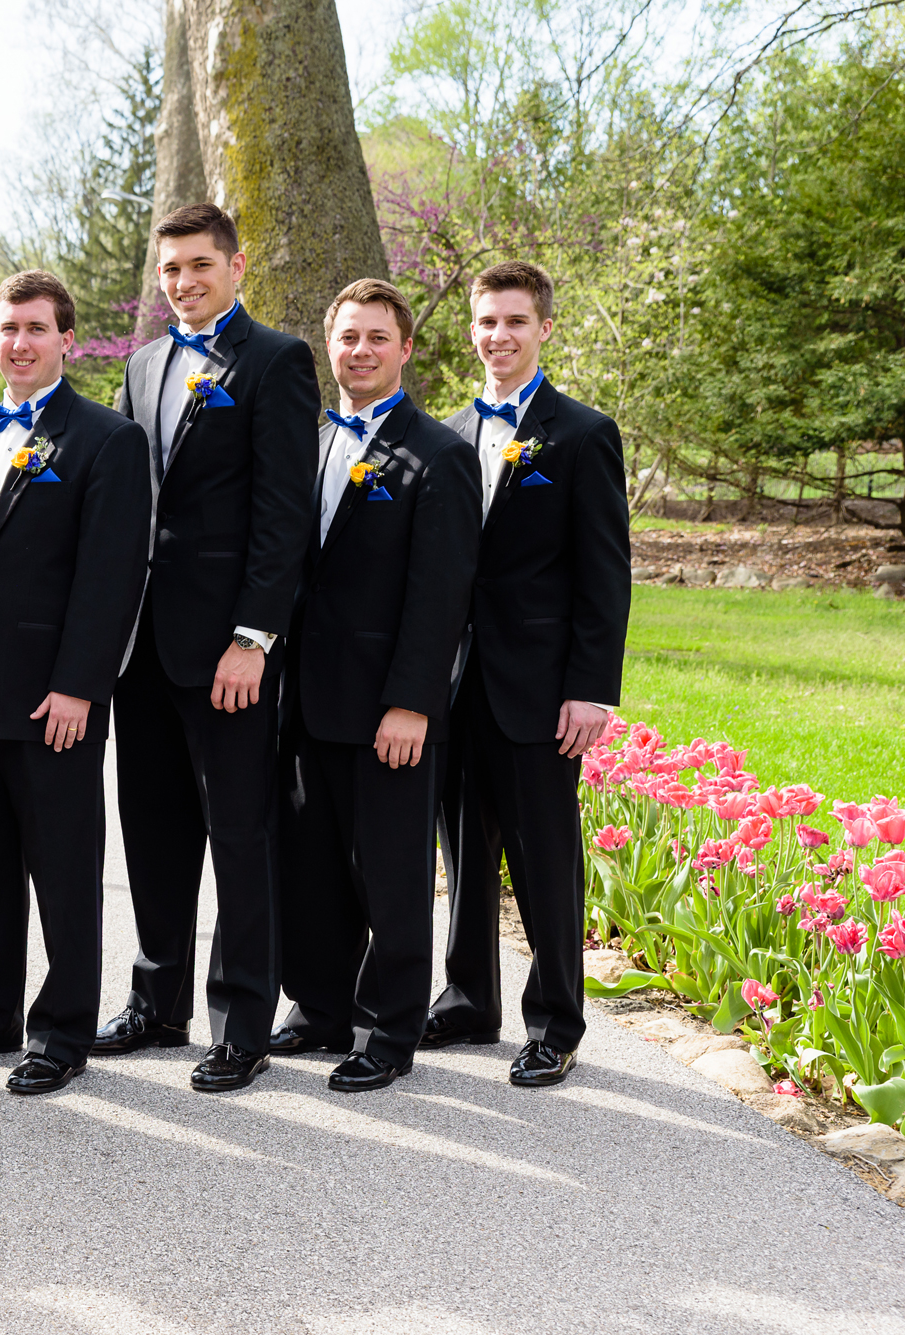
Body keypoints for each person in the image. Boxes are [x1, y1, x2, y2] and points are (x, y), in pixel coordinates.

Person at [0, 270, 151, 1096]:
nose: (19, 341)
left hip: (57, 698)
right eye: (8, 327)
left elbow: (110, 575)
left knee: (63, 866)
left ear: (66, 339)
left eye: (36, 328)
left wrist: (82, 685)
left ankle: (61, 1029)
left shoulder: (107, 439)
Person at [101, 202, 319, 1092]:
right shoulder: (143, 364)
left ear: (236, 266)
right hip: (139, 647)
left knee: (239, 831)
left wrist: (253, 636)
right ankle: (158, 1003)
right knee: (151, 830)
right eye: (170, 270)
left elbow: (282, 514)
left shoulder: (276, 361)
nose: (183, 282)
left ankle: (242, 1023)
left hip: (227, 646)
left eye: (199, 265)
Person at [271, 278, 481, 1092]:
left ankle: (391, 1030)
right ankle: (321, 1008)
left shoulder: (439, 455)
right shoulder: (310, 439)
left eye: (375, 338)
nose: (359, 351)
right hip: (305, 699)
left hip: (386, 707)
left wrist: (412, 701)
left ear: (405, 349)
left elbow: (442, 597)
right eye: (347, 337)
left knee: (391, 874)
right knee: (312, 865)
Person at [425, 260, 631, 1087]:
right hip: (452, 683)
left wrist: (591, 686)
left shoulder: (581, 434)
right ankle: (470, 997)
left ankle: (556, 1018)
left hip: (541, 686)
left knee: (546, 855)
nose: (498, 336)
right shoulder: (442, 433)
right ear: (470, 330)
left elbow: (604, 572)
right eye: (485, 322)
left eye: (515, 321)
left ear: (544, 327)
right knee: (463, 849)